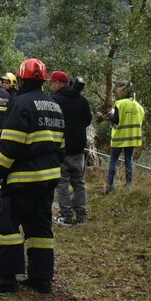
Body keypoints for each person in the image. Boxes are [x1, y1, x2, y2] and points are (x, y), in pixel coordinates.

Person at [0, 58, 64, 295]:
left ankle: (6, 278)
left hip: (23, 178)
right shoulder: (54, 105)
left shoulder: (20, 103)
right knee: (40, 227)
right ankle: (41, 278)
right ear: (43, 80)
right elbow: (61, 146)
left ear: (21, 79)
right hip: (49, 177)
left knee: (7, 224)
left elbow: (11, 144)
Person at [49, 71, 92, 225]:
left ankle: (66, 216)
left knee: (62, 184)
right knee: (79, 183)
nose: (51, 86)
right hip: (79, 149)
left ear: (58, 84)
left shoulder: (54, 100)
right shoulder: (83, 100)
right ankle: (81, 216)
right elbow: (87, 121)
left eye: (52, 83)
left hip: (62, 149)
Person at [106, 81, 146, 192]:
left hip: (119, 138)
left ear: (124, 91)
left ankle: (110, 186)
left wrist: (110, 114)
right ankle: (129, 185)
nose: (117, 92)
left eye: (118, 90)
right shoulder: (139, 106)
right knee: (129, 160)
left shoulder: (120, 104)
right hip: (132, 138)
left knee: (113, 160)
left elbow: (116, 120)